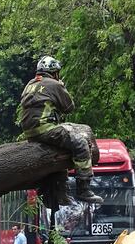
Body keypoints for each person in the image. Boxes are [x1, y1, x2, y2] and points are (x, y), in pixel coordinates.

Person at [17, 55, 103, 204]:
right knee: (80, 142)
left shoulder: (29, 84)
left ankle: (59, 191)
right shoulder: (54, 84)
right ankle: (84, 188)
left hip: (29, 131)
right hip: (45, 128)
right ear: (54, 72)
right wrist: (62, 86)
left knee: (61, 147)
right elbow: (69, 107)